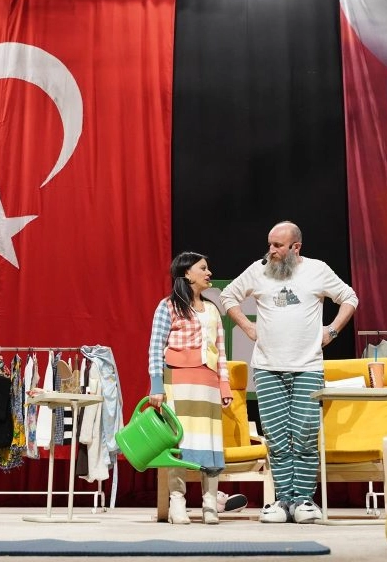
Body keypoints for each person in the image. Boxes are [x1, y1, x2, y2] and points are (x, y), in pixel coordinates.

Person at [219, 221, 358, 523]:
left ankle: (304, 500)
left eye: (278, 246)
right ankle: (283, 501)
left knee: (305, 435)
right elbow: (228, 296)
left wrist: (332, 331)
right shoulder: (259, 270)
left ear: (296, 247)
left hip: (307, 367)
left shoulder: (317, 270)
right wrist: (247, 327)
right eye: (270, 244)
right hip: (267, 367)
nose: (271, 251)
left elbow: (349, 298)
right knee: (277, 436)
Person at [148, 251, 233, 525]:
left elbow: (220, 351)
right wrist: (156, 385)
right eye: (203, 268)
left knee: (210, 441)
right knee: (180, 441)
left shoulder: (212, 309)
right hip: (178, 381)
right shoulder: (168, 306)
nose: (209, 273)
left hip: (208, 383)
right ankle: (178, 502)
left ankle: (210, 504)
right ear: (187, 273)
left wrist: (224, 384)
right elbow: (155, 348)